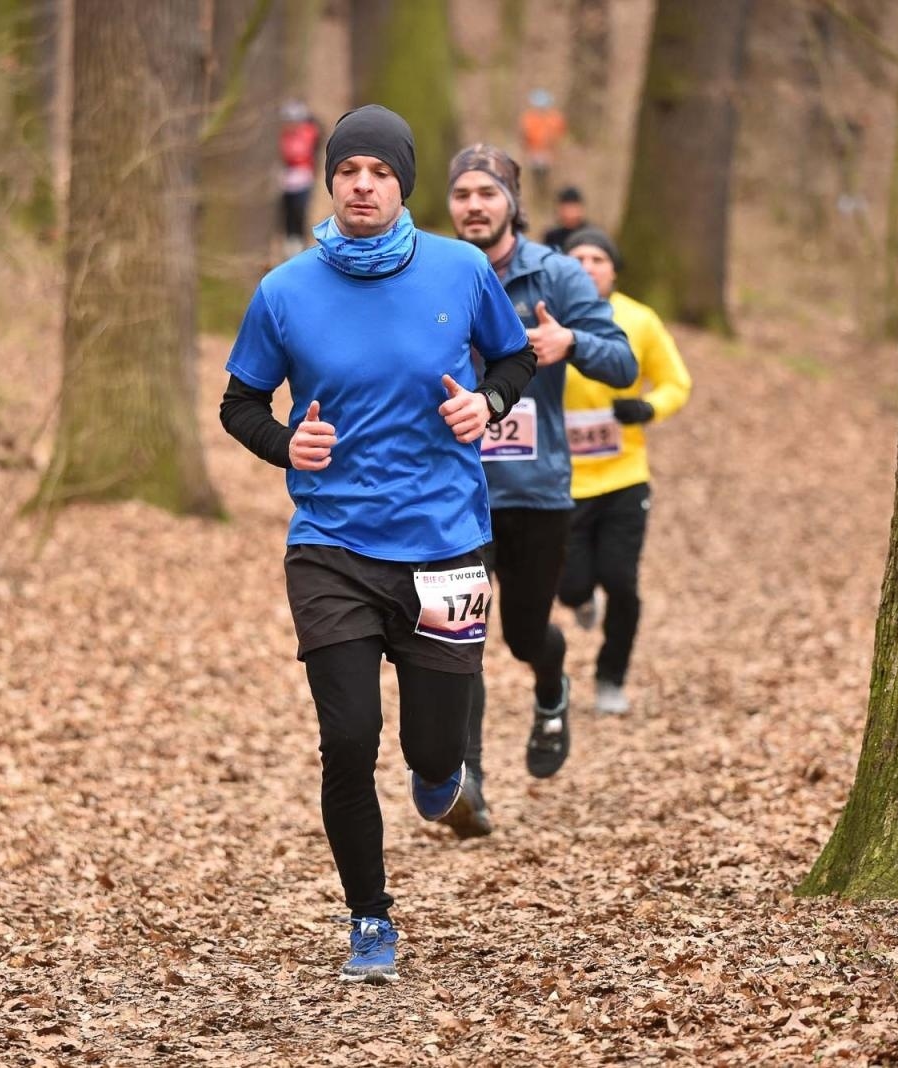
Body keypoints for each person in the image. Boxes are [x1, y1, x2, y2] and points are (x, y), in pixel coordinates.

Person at [219, 106, 538, 983]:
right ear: (330, 181)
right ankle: (370, 918)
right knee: (348, 737)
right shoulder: (285, 290)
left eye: (381, 172)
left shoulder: (463, 269)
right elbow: (240, 404)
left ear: (403, 185)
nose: (363, 185)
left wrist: (489, 403)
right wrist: (287, 444)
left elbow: (515, 363)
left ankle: (442, 776)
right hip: (332, 544)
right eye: (348, 170)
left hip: (445, 540)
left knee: (433, 754)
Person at [445, 144, 636, 834]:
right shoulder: (433, 273)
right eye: (462, 192)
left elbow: (623, 362)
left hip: (534, 491)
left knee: (525, 635)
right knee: (457, 639)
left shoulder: (556, 275)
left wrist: (571, 346)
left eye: (487, 193)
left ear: (511, 202)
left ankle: (551, 688)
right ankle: (469, 784)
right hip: (452, 491)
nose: (473, 205)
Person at [557, 228, 692, 714]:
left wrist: (647, 409)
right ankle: (579, 598)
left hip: (624, 475)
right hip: (562, 480)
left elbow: (676, 382)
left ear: (613, 269)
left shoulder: (640, 319)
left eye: (598, 258)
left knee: (621, 580)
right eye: (578, 258)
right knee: (570, 585)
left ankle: (611, 679)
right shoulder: (546, 318)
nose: (589, 265)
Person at [278, 101, 323, 258]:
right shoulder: (283, 137)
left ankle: (300, 244)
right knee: (287, 214)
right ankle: (289, 244)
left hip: (303, 179)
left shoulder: (308, 134)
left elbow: (318, 132)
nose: (291, 125)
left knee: (300, 212)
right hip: (286, 181)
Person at [518, 90, 566, 201]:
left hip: (549, 153)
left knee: (547, 178)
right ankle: (538, 197)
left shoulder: (554, 118)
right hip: (535, 153)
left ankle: (545, 197)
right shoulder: (529, 118)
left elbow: (560, 134)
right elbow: (525, 136)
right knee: (536, 178)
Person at [542, 186, 588, 250]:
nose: (569, 213)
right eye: (565, 209)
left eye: (573, 208)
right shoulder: (552, 236)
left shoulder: (591, 234)